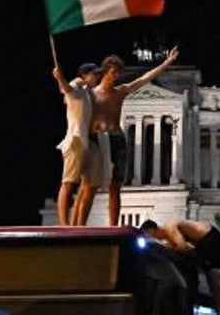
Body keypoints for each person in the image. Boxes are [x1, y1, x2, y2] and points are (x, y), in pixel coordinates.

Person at [80, 46, 180, 227]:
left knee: (115, 187)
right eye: (112, 73)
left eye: (117, 74)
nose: (114, 77)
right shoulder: (91, 94)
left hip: (117, 139)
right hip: (99, 140)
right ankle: (79, 225)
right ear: (103, 73)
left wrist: (167, 62)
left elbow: (144, 78)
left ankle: (112, 226)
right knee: (90, 186)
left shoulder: (120, 92)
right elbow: (72, 96)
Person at [52, 62, 102, 225]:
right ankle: (64, 224)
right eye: (95, 74)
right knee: (68, 183)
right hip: (75, 140)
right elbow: (67, 89)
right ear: (85, 75)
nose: (98, 77)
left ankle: (79, 223)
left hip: (87, 142)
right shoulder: (76, 86)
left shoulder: (86, 92)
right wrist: (60, 78)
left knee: (90, 184)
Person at [140, 219, 220, 314]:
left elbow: (183, 248)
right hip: (203, 240)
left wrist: (168, 247)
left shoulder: (169, 227)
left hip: (209, 237)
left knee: (212, 279)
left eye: (149, 236)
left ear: (151, 230)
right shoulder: (169, 236)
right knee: (211, 280)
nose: (153, 240)